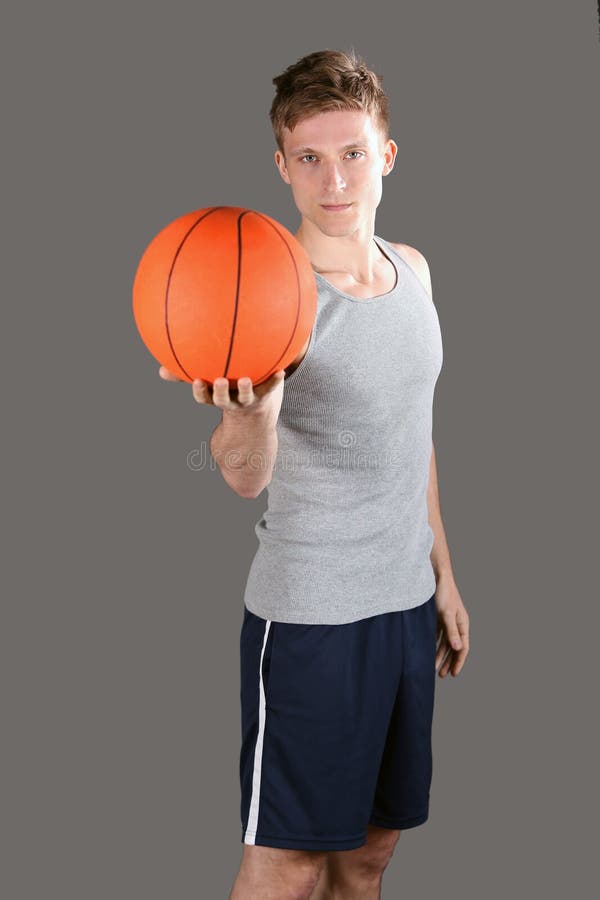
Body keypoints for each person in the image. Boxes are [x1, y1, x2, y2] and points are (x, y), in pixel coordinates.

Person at [160, 48, 470, 900]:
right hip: (312, 626)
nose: (334, 180)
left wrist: (442, 574)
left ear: (387, 156)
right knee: (289, 869)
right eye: (309, 158)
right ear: (282, 167)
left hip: (404, 608)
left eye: (352, 154)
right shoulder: (271, 299)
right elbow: (242, 474)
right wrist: (252, 411)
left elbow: (414, 434)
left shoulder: (416, 271)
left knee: (369, 856)